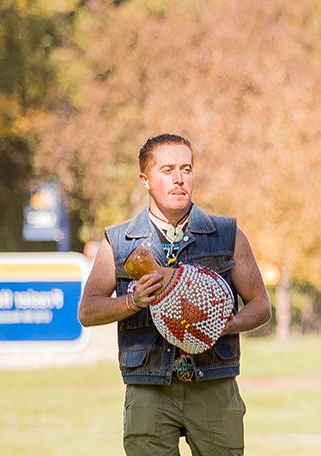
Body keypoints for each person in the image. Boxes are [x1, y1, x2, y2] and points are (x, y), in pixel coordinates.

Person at [78, 134, 272, 455]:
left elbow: (261, 305)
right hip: (148, 389)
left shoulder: (227, 234)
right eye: (167, 170)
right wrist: (133, 301)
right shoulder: (119, 241)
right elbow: (88, 311)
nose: (179, 179)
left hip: (214, 385)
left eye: (186, 168)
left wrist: (224, 325)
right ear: (145, 179)